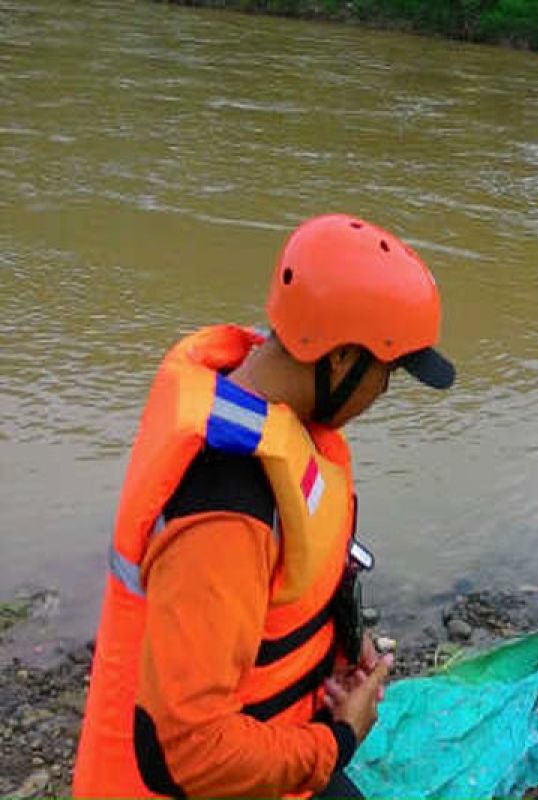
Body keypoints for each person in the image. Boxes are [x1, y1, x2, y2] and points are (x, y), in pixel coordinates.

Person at [72, 214, 455, 798]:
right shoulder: (227, 508)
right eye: (388, 372)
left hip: (266, 750)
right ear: (342, 358)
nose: (383, 394)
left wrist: (339, 648)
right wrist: (339, 740)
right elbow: (189, 756)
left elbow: (273, 604)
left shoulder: (254, 400)